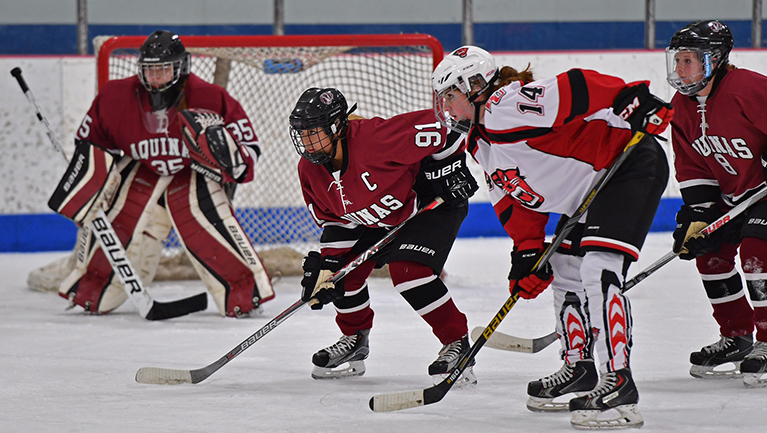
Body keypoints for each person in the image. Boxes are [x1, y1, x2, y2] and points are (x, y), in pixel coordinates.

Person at [432, 46, 672, 429]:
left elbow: (574, 86)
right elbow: (514, 198)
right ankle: (579, 367)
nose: (446, 106)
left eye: (451, 96)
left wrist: (629, 98)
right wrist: (527, 251)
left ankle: (619, 382)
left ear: (475, 87)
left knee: (599, 266)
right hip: (587, 194)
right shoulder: (479, 142)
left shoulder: (503, 106)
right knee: (561, 267)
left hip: (627, 165)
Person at [49, 30, 274, 317]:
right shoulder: (115, 97)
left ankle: (243, 292)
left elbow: (249, 150)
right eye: (149, 70)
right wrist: (94, 180)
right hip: (142, 169)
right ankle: (95, 288)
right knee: (123, 218)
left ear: (181, 67)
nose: (155, 78)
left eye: (163, 69)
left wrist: (230, 160)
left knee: (200, 216)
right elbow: (90, 144)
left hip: (192, 172)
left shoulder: (210, 97)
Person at [665, 20, 767, 387]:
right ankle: (737, 337)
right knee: (709, 254)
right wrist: (699, 213)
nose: (679, 70)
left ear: (714, 60)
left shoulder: (746, 89)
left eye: (688, 61)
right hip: (734, 194)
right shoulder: (681, 107)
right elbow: (691, 165)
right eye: (677, 61)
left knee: (757, 250)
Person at [288, 87, 479, 383]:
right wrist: (328, 266)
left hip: (429, 205)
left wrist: (448, 169)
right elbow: (338, 221)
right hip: (380, 221)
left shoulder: (376, 139)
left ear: (337, 126)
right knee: (341, 275)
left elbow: (448, 126)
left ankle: (456, 343)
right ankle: (354, 340)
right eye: (302, 135)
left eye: (313, 133)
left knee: (409, 273)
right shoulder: (310, 171)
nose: (307, 142)